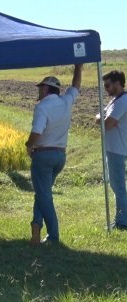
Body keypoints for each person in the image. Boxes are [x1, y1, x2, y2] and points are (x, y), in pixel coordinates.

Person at [26, 64, 83, 245]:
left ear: (45, 89)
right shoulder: (66, 101)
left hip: (43, 155)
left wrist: (28, 145)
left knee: (44, 195)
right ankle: (36, 223)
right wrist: (78, 67)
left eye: (40, 88)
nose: (39, 91)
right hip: (60, 156)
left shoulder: (42, 107)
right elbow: (76, 86)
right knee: (42, 193)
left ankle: (53, 236)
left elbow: (37, 131)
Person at [96, 70, 127, 231]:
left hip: (118, 149)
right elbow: (102, 118)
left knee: (118, 186)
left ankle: (122, 222)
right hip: (115, 148)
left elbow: (107, 124)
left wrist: (100, 118)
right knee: (117, 185)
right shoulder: (115, 101)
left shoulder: (122, 101)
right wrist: (101, 118)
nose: (106, 89)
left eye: (108, 85)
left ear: (117, 83)